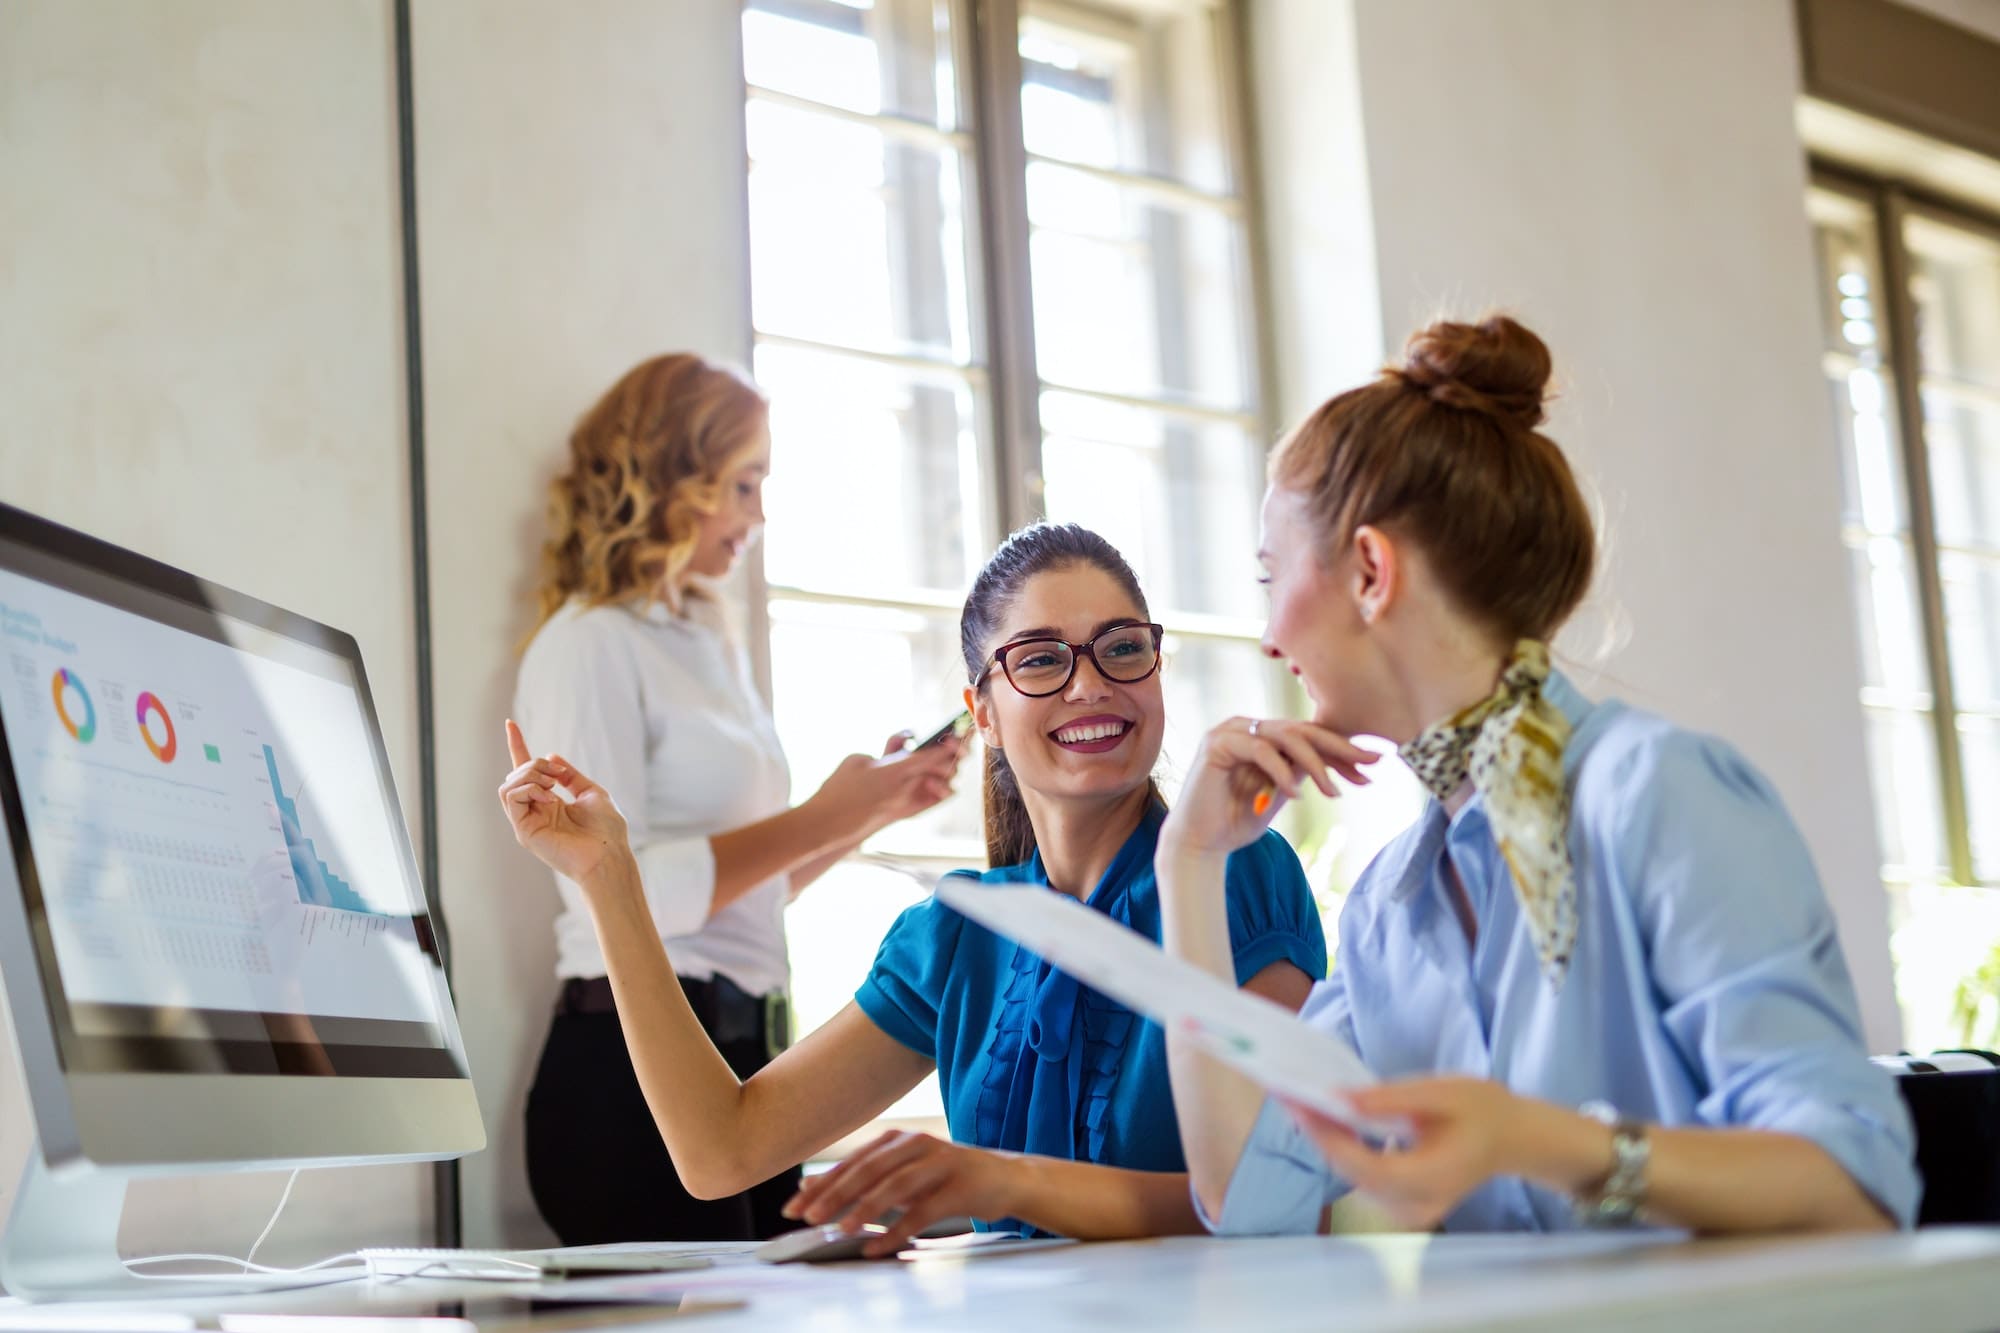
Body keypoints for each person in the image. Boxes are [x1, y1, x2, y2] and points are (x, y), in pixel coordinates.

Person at [1157, 315, 1921, 1236]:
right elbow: (1244, 1192)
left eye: (1271, 576)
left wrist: (1543, 1139)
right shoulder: (1388, 909)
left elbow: (1856, 1181)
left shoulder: (1658, 793)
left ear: (1369, 569)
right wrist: (1189, 863)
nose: (1272, 637)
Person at [500, 522, 1339, 1255]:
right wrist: (609, 876)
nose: (1091, 684)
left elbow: (1276, 1205)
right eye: (1041, 659)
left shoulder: (1236, 873)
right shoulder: (953, 935)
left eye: (1123, 647)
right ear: (982, 712)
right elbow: (720, 1152)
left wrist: (998, 1181)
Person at [514, 353, 963, 1244]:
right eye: (743, 485)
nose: (758, 516)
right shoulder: (590, 644)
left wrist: (870, 812)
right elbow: (604, 883)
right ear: (674, 479)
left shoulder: (706, 644)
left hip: (748, 1062)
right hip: (631, 1074)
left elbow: (737, 898)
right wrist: (828, 814)